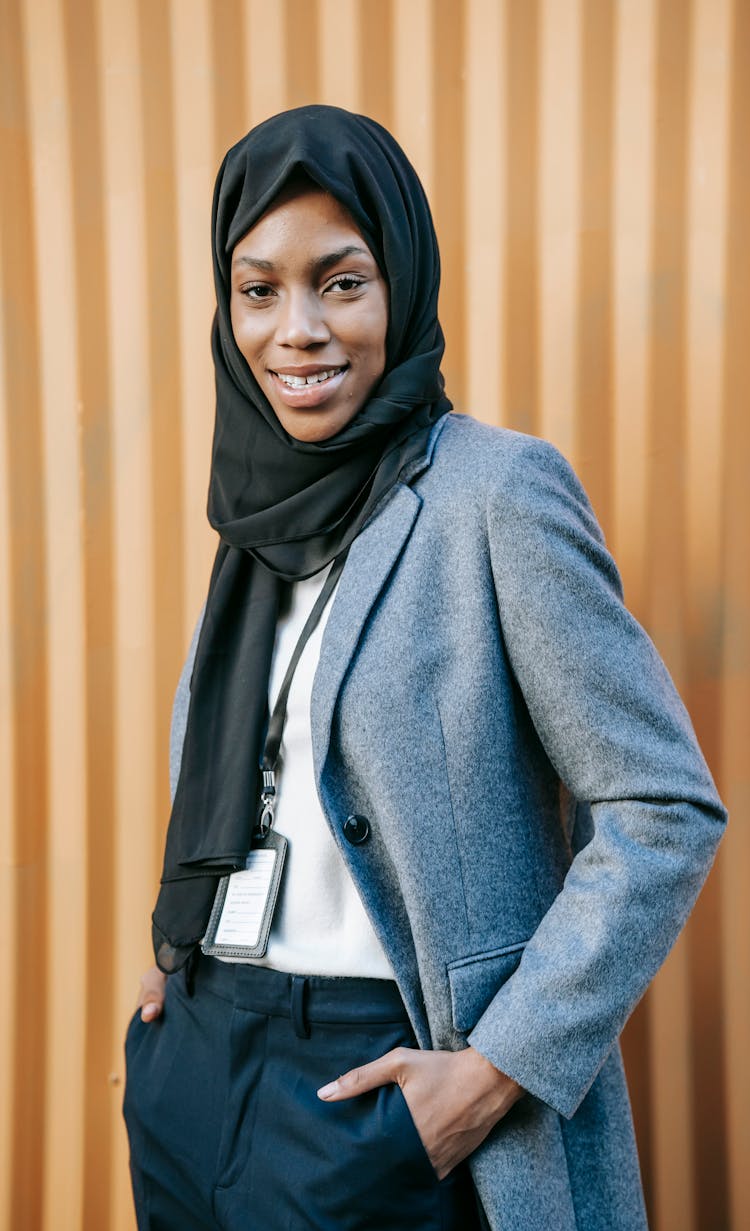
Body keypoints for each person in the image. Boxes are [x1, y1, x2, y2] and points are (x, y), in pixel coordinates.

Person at [123, 105, 727, 1231]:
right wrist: (180, 958)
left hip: (388, 1084)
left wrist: (493, 1070)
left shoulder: (494, 493)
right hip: (200, 1064)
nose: (296, 330)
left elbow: (665, 804)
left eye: (339, 282)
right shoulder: (255, 520)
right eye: (259, 290)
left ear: (400, 282)